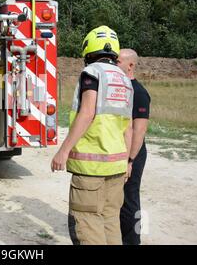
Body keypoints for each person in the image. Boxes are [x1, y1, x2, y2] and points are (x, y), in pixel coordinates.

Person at [51, 25, 134, 245]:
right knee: (110, 221)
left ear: (88, 50)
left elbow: (87, 113)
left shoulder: (93, 73)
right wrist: (127, 161)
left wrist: (63, 151)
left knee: (87, 223)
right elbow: (128, 126)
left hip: (91, 169)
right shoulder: (125, 80)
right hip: (117, 167)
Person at [117, 49, 151, 245]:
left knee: (130, 199)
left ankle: (132, 241)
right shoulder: (120, 89)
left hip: (133, 154)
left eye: (118, 61)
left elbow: (139, 130)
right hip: (120, 152)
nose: (114, 64)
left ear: (130, 65)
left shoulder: (138, 93)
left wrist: (129, 160)